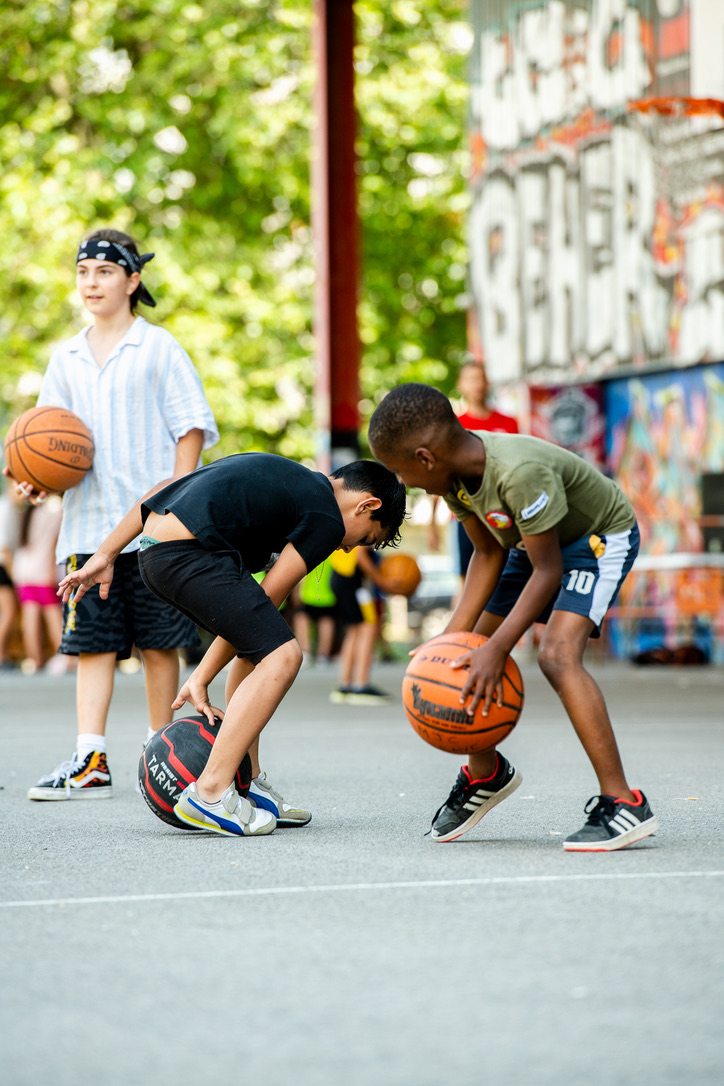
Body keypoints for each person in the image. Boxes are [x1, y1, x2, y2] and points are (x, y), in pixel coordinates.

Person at [368, 382, 658, 853]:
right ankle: (487, 775)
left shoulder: (518, 472)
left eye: (402, 472)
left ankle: (624, 802)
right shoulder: (454, 480)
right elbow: (486, 553)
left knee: (558, 655)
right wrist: (450, 640)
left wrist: (497, 647)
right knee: (462, 657)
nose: (408, 485)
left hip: (595, 540)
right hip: (530, 543)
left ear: (425, 457)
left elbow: (549, 571)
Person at [58, 453, 406, 837]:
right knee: (285, 656)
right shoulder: (326, 516)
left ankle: (249, 782)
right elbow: (270, 593)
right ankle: (209, 793)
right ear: (367, 505)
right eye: (366, 538)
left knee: (261, 651)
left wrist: (107, 554)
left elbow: (161, 491)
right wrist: (203, 674)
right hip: (186, 556)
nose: (348, 549)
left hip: (152, 552)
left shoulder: (288, 477)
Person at [6, 228, 218, 800]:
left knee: (157, 645)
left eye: (104, 271)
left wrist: (179, 501)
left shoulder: (159, 347)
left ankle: (162, 754)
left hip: (156, 532)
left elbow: (191, 428)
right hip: (86, 530)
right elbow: (52, 446)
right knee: (91, 647)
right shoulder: (66, 358)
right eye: (83, 272)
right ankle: (90, 759)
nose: (92, 282)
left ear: (132, 279)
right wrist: (35, 480)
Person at [429, 361, 518, 580]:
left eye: (481, 378)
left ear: (488, 382)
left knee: (509, 579)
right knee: (468, 579)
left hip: (504, 514)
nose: (477, 384)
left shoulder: (509, 423)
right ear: (461, 385)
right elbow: (439, 476)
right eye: (471, 379)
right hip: (467, 516)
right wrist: (432, 524)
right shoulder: (453, 425)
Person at [11, 495, 67, 672]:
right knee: (53, 617)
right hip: (43, 572)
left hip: (23, 571)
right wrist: (52, 572)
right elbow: (53, 546)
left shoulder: (27, 513)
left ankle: (36, 661)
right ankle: (65, 657)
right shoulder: (54, 514)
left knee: (30, 617)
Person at [329, 546, 391, 705]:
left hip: (340, 578)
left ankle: (344, 686)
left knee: (354, 631)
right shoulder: (363, 522)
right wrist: (381, 581)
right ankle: (360, 685)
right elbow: (361, 555)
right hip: (351, 581)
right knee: (369, 627)